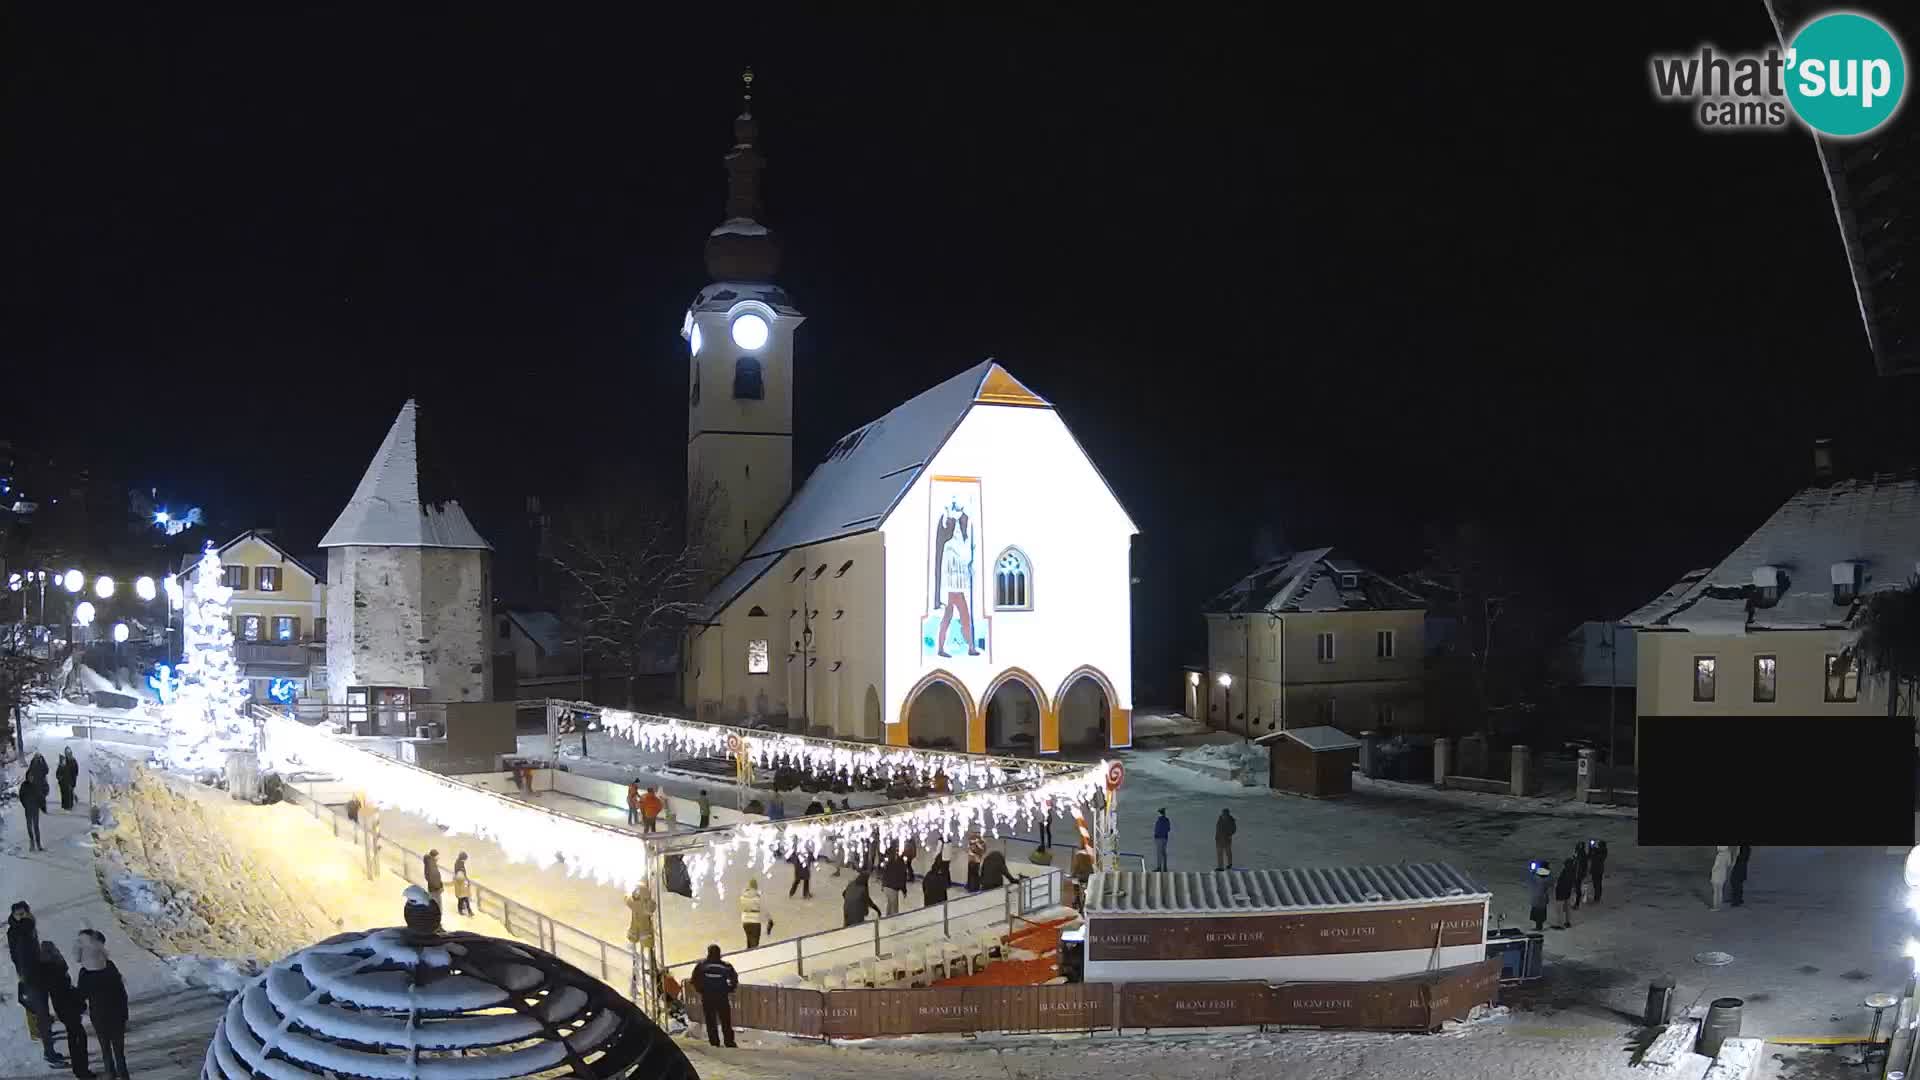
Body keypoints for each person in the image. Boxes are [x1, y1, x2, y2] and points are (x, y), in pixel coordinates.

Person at [12, 902, 64, 1067]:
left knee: (42, 1014)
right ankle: (49, 1053)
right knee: (41, 1014)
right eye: (18, 914)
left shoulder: (27, 930)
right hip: (33, 980)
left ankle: (45, 1039)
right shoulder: (21, 934)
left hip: (35, 978)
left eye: (23, 913)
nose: (21, 917)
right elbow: (22, 959)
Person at [75, 931, 127, 1080]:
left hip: (99, 1016)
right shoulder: (110, 967)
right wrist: (124, 1014)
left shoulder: (85, 973)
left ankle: (110, 1075)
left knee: (106, 1050)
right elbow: (122, 993)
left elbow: (81, 996)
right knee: (119, 1053)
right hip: (117, 1015)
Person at [41, 940, 92, 1079]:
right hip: (68, 1009)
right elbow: (66, 991)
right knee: (79, 1039)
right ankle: (82, 1072)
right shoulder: (56, 971)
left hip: (62, 1008)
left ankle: (79, 1069)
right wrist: (80, 1000)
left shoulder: (48, 970)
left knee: (74, 1037)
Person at [691, 944, 739, 1048]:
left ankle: (714, 1042)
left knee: (710, 1020)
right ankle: (729, 1041)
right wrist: (729, 989)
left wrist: (701, 990)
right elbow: (734, 979)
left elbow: (694, 979)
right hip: (722, 997)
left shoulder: (702, 966)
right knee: (726, 1020)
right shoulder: (726, 966)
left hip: (707, 997)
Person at [21, 769, 48, 851]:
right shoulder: (24, 785)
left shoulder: (36, 785)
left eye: (32, 776)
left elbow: (40, 796)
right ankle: (32, 842)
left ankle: (38, 843)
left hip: (35, 809)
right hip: (28, 809)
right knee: (29, 826)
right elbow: (21, 796)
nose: (31, 778)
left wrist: (42, 806)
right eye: (29, 776)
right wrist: (25, 804)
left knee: (36, 826)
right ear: (27, 777)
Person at [739, 878, 768, 948]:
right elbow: (763, 908)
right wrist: (768, 918)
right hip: (755, 921)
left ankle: (747, 954)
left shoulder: (743, 895)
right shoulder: (758, 895)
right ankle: (753, 956)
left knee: (749, 940)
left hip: (745, 920)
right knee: (755, 943)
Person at [881, 849, 909, 916]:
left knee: (890, 903)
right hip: (892, 888)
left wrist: (882, 885)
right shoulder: (902, 865)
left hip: (886, 886)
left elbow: (885, 873)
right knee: (894, 909)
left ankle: (887, 918)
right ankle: (894, 922)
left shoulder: (891, 862)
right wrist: (904, 892)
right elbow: (903, 880)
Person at [1553, 855, 1577, 929]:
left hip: (1561, 893)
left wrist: (1556, 887)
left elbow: (1561, 883)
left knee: (1559, 910)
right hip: (1568, 892)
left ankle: (1560, 924)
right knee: (1567, 908)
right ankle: (1568, 922)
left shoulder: (1565, 872)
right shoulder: (1573, 870)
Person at [1527, 864, 1552, 932]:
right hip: (1542, 899)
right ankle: (1539, 926)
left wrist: (1532, 871)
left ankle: (1539, 927)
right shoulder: (1547, 878)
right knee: (1540, 913)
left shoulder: (1539, 879)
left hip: (1539, 899)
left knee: (1538, 913)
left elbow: (1533, 878)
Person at [1709, 846, 1733, 911]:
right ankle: (1719, 905)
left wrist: (1711, 874)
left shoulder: (1719, 855)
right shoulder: (1728, 854)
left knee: (1716, 892)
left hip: (1716, 875)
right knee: (1720, 891)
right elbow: (1729, 864)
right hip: (1723, 875)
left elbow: (1715, 867)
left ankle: (1716, 906)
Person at [1568, 842, 1589, 910]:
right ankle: (1578, 901)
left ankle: (1577, 904)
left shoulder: (1580, 856)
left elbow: (1577, 866)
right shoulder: (1583, 855)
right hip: (1579, 875)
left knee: (1577, 889)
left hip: (1577, 875)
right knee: (1577, 888)